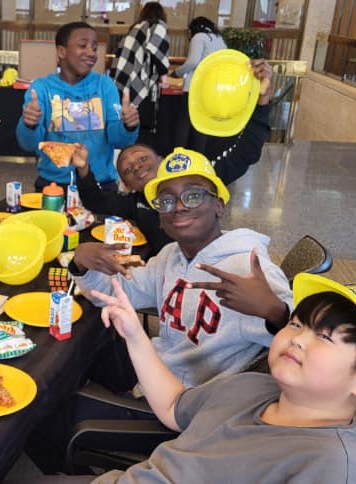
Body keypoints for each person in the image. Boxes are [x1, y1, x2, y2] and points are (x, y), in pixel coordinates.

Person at [79, 272, 356, 483]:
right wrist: (135, 334)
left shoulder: (334, 468)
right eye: (296, 324)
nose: (296, 338)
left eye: (324, 337)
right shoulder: (251, 385)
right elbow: (173, 406)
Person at [70, 147, 292, 392]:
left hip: (185, 400)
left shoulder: (250, 267)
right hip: (157, 365)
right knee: (75, 356)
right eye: (166, 201)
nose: (178, 207)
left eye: (193, 196)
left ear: (219, 206)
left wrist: (277, 313)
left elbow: (308, 344)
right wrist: (81, 264)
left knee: (61, 387)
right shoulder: (170, 256)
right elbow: (120, 292)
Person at [76, 60, 274, 257]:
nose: (136, 166)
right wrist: (83, 167)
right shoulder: (136, 203)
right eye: (127, 170)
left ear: (162, 160)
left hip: (208, 263)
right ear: (127, 186)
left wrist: (262, 101)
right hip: (165, 272)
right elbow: (96, 201)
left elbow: (246, 152)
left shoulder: (196, 179)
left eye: (142, 158)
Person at [16, 21, 140, 192]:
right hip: (54, 187)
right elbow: (28, 144)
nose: (91, 53)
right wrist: (29, 124)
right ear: (61, 51)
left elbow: (118, 139)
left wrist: (128, 125)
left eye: (94, 48)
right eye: (83, 46)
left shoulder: (104, 85)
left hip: (100, 186)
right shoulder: (41, 88)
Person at [109, 1, 171, 145]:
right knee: (138, 119)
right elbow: (156, 50)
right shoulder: (158, 25)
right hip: (138, 77)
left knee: (124, 116)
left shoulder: (135, 28)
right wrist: (163, 74)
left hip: (124, 76)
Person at [170, 16, 227, 153]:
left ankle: (179, 154)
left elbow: (192, 62)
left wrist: (176, 73)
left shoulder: (199, 37)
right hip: (211, 88)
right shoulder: (220, 40)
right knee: (201, 124)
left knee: (184, 123)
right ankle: (199, 157)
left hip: (194, 88)